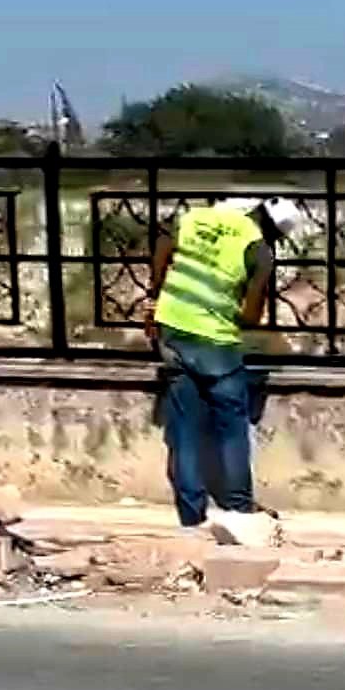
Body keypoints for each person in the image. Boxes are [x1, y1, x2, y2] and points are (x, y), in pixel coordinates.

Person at [145, 196, 299, 528]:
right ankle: (239, 511)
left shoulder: (196, 217)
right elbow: (251, 316)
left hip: (173, 328)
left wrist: (157, 292)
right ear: (273, 231)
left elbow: (162, 243)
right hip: (216, 342)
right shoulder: (259, 251)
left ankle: (191, 516)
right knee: (232, 426)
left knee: (184, 428)